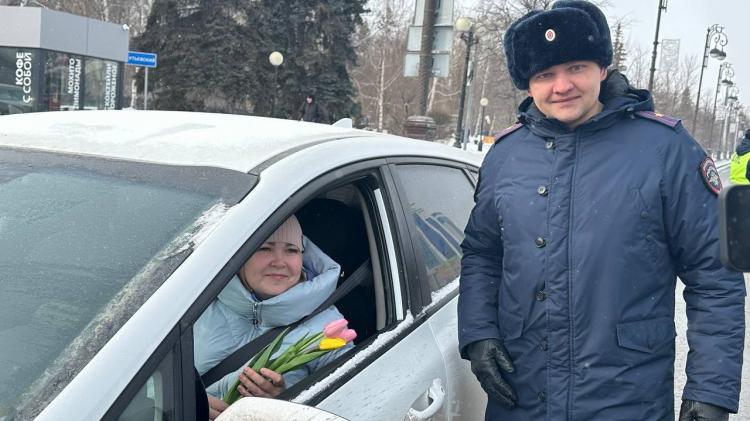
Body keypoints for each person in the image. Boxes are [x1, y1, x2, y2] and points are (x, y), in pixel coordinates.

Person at [457, 2, 746, 421]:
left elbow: (714, 276)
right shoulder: (506, 156)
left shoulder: (665, 150)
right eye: (545, 75)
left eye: (576, 67)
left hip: (625, 397)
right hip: (523, 394)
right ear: (528, 84)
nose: (562, 86)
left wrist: (711, 391)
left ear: (602, 69)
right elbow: (482, 252)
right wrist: (478, 331)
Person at [193, 215, 351, 420]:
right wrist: (191, 403)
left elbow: (348, 404)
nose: (279, 262)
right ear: (240, 256)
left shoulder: (328, 328)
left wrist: (284, 402)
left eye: (291, 250)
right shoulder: (199, 301)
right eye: (265, 248)